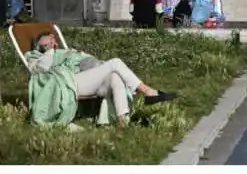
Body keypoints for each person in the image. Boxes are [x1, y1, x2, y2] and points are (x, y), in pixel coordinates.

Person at [26, 32, 176, 127]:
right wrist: (48, 50)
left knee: (115, 77)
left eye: (52, 38)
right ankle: (148, 92)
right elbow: (41, 70)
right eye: (47, 40)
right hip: (71, 82)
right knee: (116, 62)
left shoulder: (66, 51)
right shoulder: (41, 57)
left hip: (87, 77)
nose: (52, 40)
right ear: (40, 45)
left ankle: (122, 123)